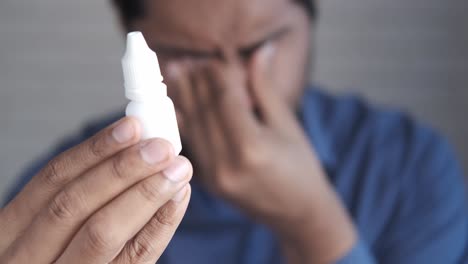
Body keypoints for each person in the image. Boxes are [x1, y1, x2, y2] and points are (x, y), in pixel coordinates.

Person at [1, 0, 467, 263]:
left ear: (310, 20)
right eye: (191, 55)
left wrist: (314, 224)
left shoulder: (409, 168)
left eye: (261, 47)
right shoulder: (67, 197)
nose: (230, 86)